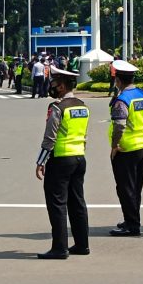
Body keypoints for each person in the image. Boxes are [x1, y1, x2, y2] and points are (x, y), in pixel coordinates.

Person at [35, 66, 90, 259]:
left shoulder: (57, 107)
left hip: (60, 160)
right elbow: (83, 135)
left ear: (63, 85)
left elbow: (50, 137)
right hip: (79, 158)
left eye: (55, 83)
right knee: (78, 203)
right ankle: (82, 244)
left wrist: (41, 161)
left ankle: (60, 248)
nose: (52, 86)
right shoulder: (82, 106)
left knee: (57, 204)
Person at [108, 60, 143, 236]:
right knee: (135, 187)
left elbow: (119, 126)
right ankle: (130, 219)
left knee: (125, 188)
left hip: (126, 149)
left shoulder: (122, 100)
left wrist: (115, 145)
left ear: (118, 81)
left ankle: (132, 225)